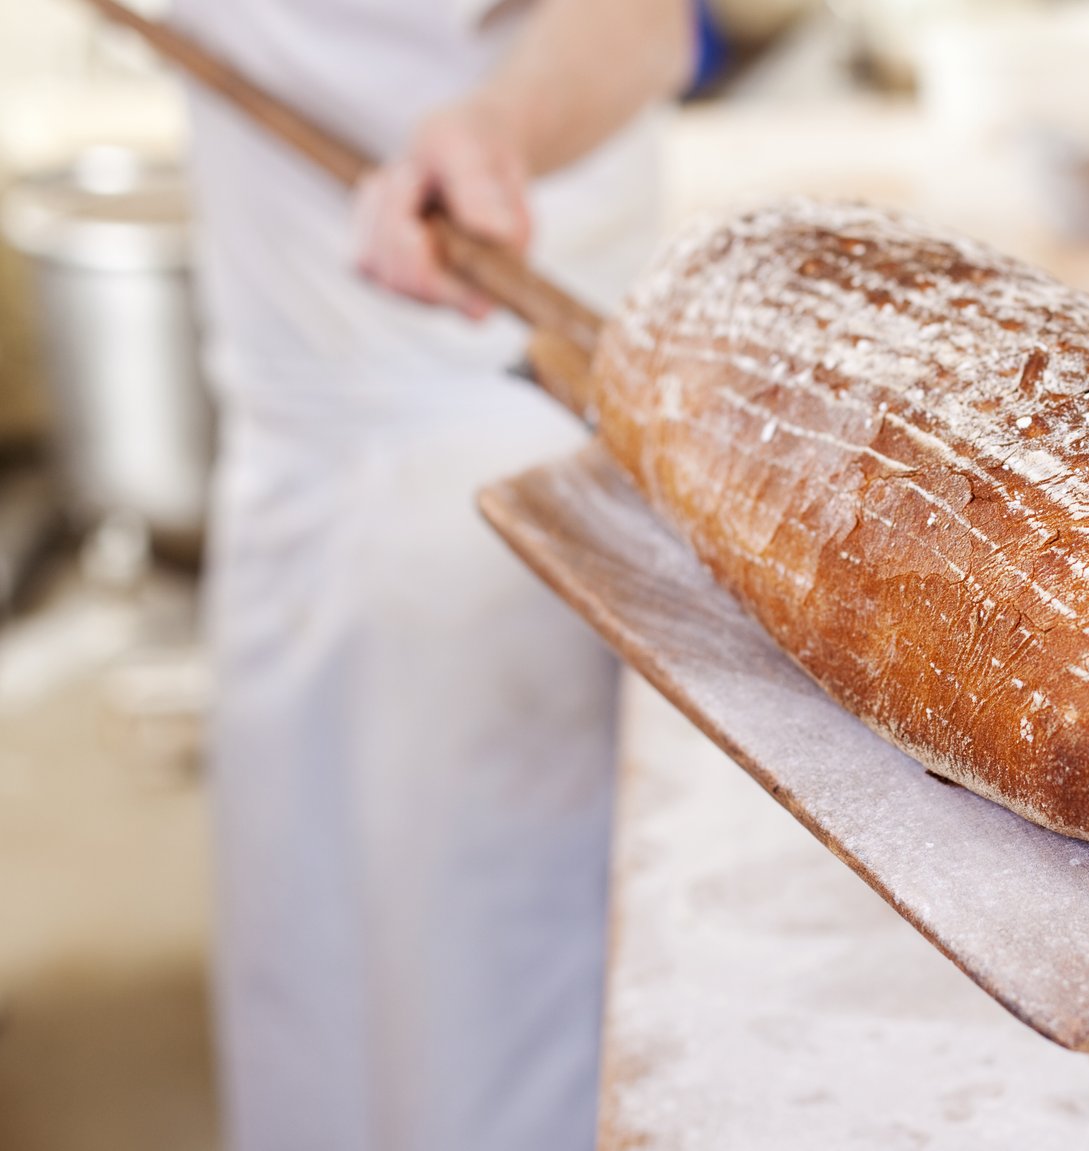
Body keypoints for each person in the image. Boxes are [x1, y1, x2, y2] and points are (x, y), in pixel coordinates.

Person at [169, 1, 693, 1147]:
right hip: (312, 453)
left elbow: (644, 18)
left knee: (482, 1014)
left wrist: (499, 123)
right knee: (326, 988)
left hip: (496, 462)